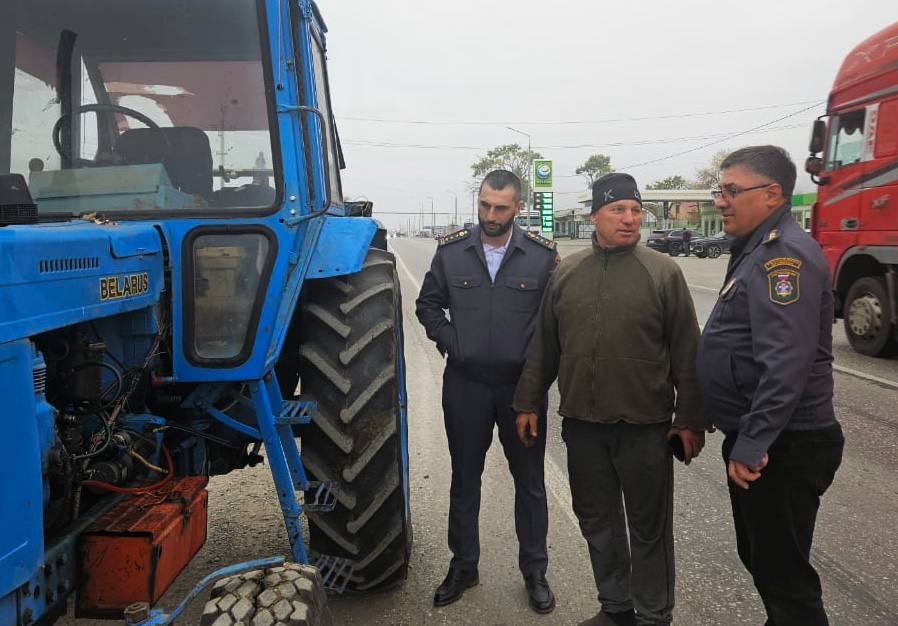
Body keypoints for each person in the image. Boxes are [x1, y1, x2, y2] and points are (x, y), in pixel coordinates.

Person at [513, 172, 709, 626]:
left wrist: (690, 419)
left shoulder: (663, 272)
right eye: (618, 210)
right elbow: (544, 345)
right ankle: (616, 608)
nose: (629, 219)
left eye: (635, 210)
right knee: (597, 521)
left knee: (648, 529)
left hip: (645, 425)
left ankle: (654, 615)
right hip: (583, 424)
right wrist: (527, 403)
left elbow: (687, 351)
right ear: (594, 215)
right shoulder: (566, 274)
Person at [697, 145, 844, 625]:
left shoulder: (783, 255)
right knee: (765, 562)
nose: (721, 201)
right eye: (721, 190)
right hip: (767, 439)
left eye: (732, 191)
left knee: (784, 577)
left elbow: (786, 363)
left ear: (772, 193)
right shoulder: (757, 248)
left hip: (783, 445)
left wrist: (754, 441)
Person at [415, 169, 559, 613]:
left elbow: (553, 324)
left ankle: (535, 571)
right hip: (466, 387)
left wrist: (535, 385)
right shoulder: (453, 252)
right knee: (464, 479)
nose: (490, 215)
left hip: (521, 392)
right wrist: (452, 342)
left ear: (519, 207)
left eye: (500, 207)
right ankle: (463, 566)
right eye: (484, 205)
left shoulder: (540, 257)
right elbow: (427, 305)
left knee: (530, 484)